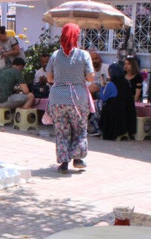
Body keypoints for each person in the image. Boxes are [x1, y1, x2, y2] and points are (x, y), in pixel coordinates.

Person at [46, 23, 94, 173]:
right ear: (76, 36)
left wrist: (62, 79)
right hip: (78, 98)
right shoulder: (84, 55)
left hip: (57, 99)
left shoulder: (55, 55)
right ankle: (78, 159)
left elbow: (49, 78)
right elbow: (90, 77)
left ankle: (64, 163)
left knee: (62, 131)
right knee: (79, 129)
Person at [99, 63, 136, 141]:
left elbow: (103, 98)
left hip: (114, 113)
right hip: (127, 111)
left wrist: (102, 86)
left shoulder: (110, 84)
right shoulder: (127, 82)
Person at [87, 50, 109, 136]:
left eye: (96, 58)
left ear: (100, 59)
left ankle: (95, 126)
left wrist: (99, 88)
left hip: (104, 93)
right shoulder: (88, 70)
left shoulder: (106, 68)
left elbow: (109, 84)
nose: (94, 61)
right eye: (92, 59)